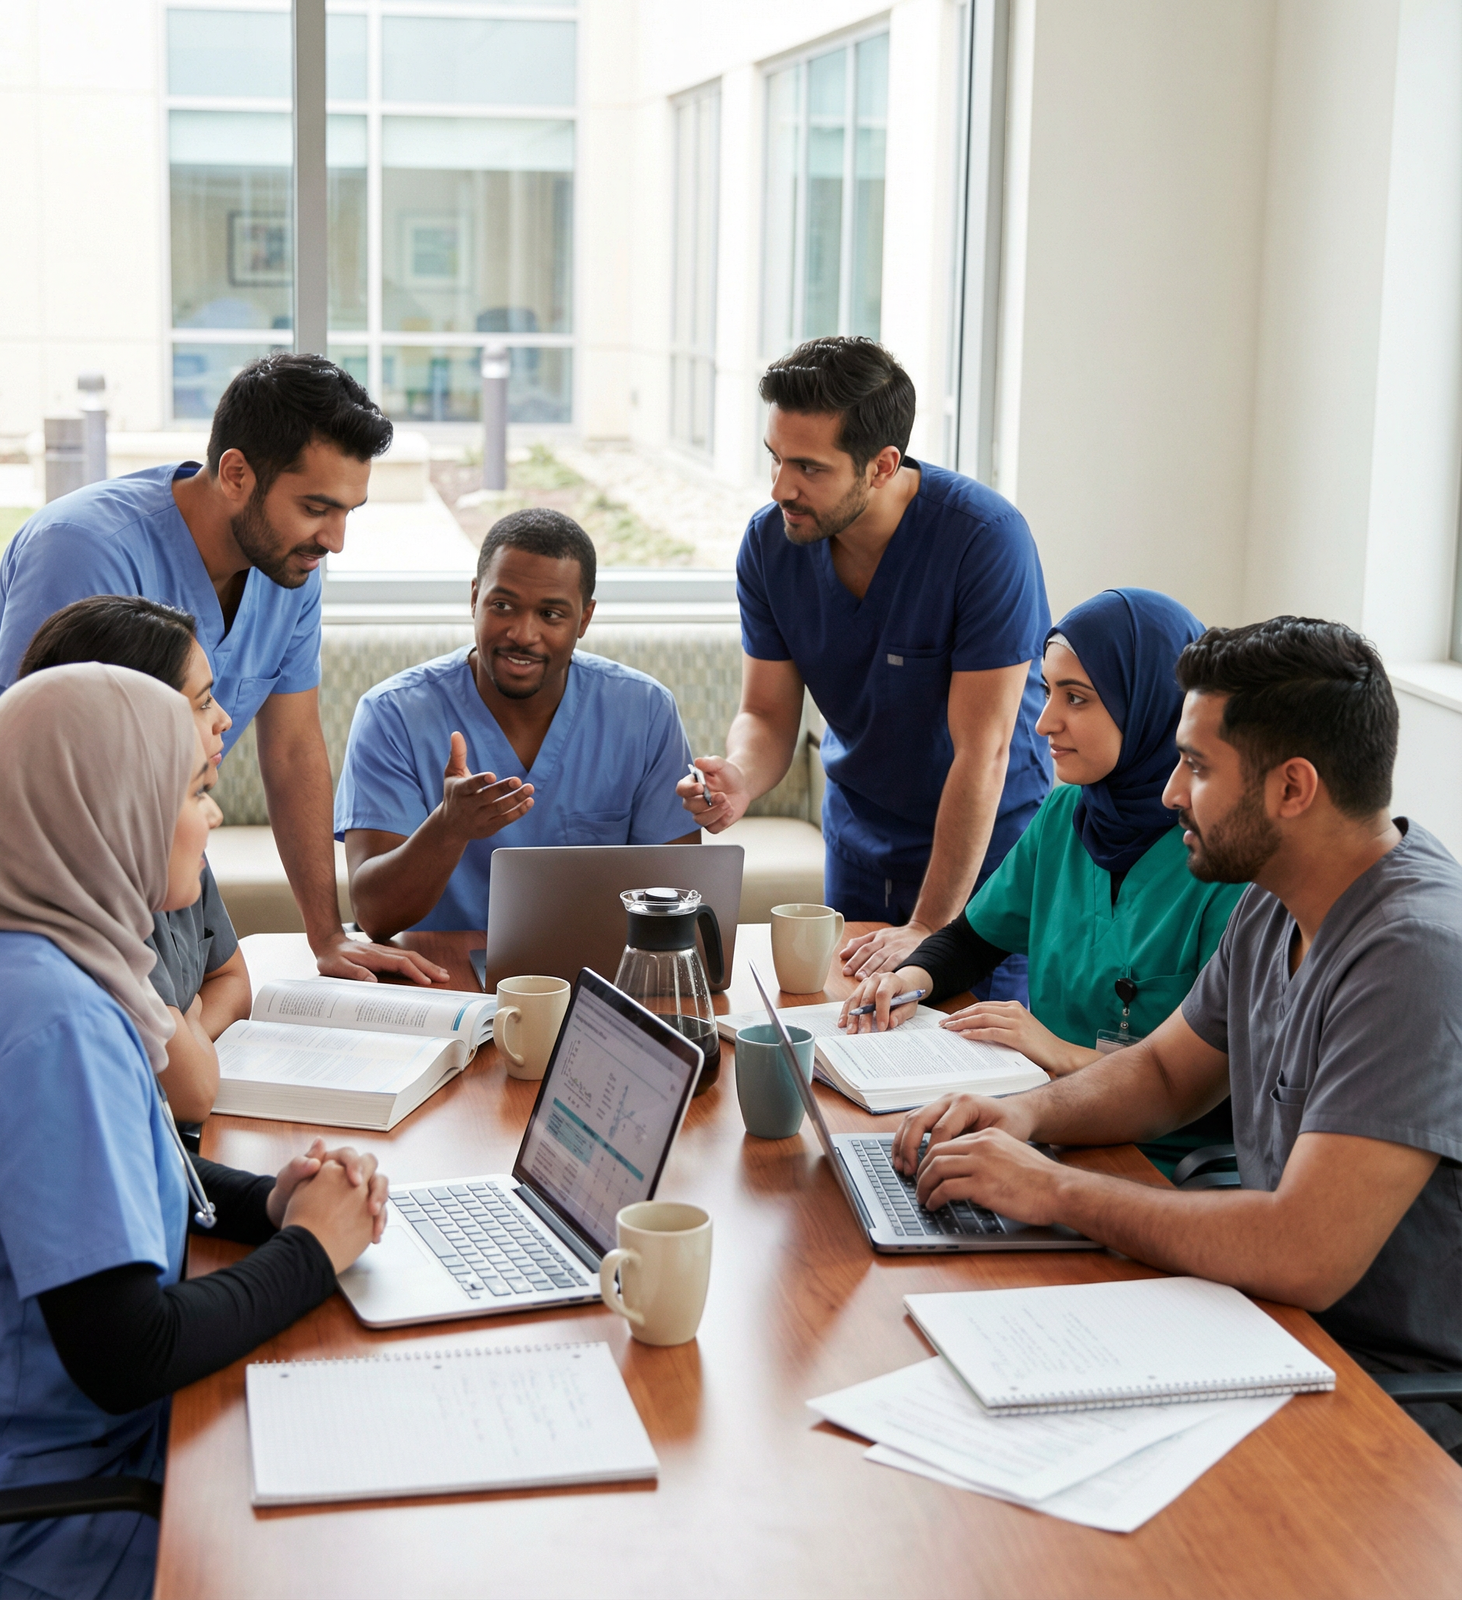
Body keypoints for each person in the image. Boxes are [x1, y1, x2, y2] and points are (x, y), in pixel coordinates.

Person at [0, 664, 391, 1599]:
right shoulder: (49, 1020)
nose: (214, 815)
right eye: (193, 790)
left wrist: (268, 1202)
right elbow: (128, 1353)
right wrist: (313, 1248)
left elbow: (120, 1164)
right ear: (107, 807)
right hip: (21, 1521)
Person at [889, 617, 1462, 1454]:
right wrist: (1027, 1119)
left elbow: (1306, 1252)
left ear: (1292, 789)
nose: (1169, 793)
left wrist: (1054, 1191)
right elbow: (1164, 1074)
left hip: (1386, 1388)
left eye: (1196, 767)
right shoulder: (1275, 896)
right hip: (1268, 1326)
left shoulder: (1413, 954)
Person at [0, 352, 446, 988]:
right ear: (235, 474)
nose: (334, 540)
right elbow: (37, 769)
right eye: (316, 507)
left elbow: (294, 749)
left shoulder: (289, 566)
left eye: (347, 513)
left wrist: (327, 936)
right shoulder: (84, 550)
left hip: (115, 828)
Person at [678, 337, 1051, 1000]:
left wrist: (931, 926)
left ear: (881, 466)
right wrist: (742, 776)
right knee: (852, 1049)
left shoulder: (985, 541)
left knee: (975, 1070)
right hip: (862, 840)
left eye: (808, 468)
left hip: (989, 855)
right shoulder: (771, 545)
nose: (779, 488)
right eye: (774, 458)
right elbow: (766, 714)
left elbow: (985, 754)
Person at [844, 588, 1246, 1174]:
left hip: (1155, 1165)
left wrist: (1058, 1053)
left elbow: (1208, 1093)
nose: (1043, 722)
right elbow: (973, 941)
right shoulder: (1067, 815)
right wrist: (909, 979)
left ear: (1151, 704)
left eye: (1077, 698)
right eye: (1049, 690)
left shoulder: (1224, 862)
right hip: (1043, 1125)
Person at [337, 508, 700, 937]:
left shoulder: (646, 712)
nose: (523, 634)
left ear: (584, 618)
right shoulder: (392, 715)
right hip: (438, 983)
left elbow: (678, 906)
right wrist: (448, 828)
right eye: (503, 605)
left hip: (593, 978)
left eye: (551, 614)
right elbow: (375, 916)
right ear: (475, 599)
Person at [17, 594, 251, 1124]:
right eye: (203, 701)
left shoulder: (170, 842)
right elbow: (191, 1090)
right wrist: (187, 1036)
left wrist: (188, 1026)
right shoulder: (86, 887)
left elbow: (235, 983)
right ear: (132, 722)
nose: (225, 719)